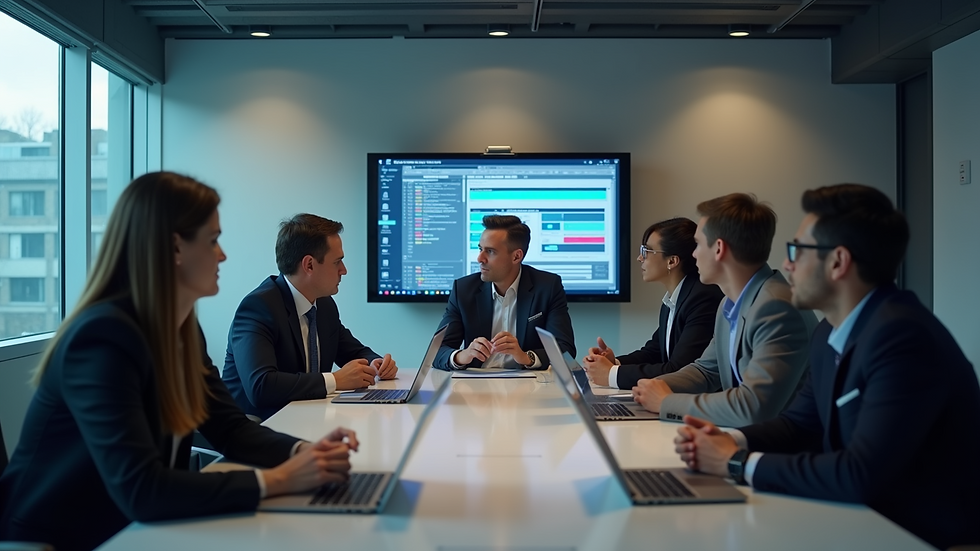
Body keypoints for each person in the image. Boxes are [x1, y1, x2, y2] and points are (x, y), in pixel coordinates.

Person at [0, 173, 358, 551]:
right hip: (58, 539)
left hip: (131, 529)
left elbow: (230, 428)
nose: (223, 255)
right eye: (213, 240)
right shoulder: (102, 338)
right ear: (175, 248)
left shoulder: (183, 330)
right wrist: (280, 480)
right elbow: (143, 489)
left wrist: (303, 452)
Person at [672, 184, 980, 549]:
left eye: (798, 250)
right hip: (863, 520)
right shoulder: (829, 332)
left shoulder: (902, 338)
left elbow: (859, 474)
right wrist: (728, 440)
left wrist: (737, 462)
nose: (786, 264)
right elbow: (800, 424)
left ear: (838, 262)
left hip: (919, 536)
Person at [632, 193, 817, 426]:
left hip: (781, 452)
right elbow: (706, 371)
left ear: (719, 249)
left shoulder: (776, 308)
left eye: (698, 244)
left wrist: (665, 402)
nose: (693, 254)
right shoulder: (729, 304)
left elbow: (752, 407)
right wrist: (648, 388)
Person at [222, 214, 397, 420]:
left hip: (306, 420)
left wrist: (375, 364)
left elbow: (351, 350)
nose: (344, 270)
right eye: (337, 261)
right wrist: (335, 380)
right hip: (256, 428)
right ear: (309, 265)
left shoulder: (323, 304)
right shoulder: (258, 307)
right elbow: (261, 386)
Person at [583, 217, 723, 389]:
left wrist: (611, 374)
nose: (639, 258)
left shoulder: (702, 298)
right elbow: (655, 352)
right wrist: (613, 362)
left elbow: (678, 369)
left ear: (672, 261)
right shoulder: (674, 298)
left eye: (647, 251)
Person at [434, 214, 575, 370]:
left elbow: (565, 350)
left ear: (516, 256)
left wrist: (525, 357)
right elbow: (437, 352)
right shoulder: (464, 289)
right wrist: (464, 355)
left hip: (530, 386)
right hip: (476, 385)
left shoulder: (547, 287)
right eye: (480, 249)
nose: (480, 258)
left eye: (490, 251)